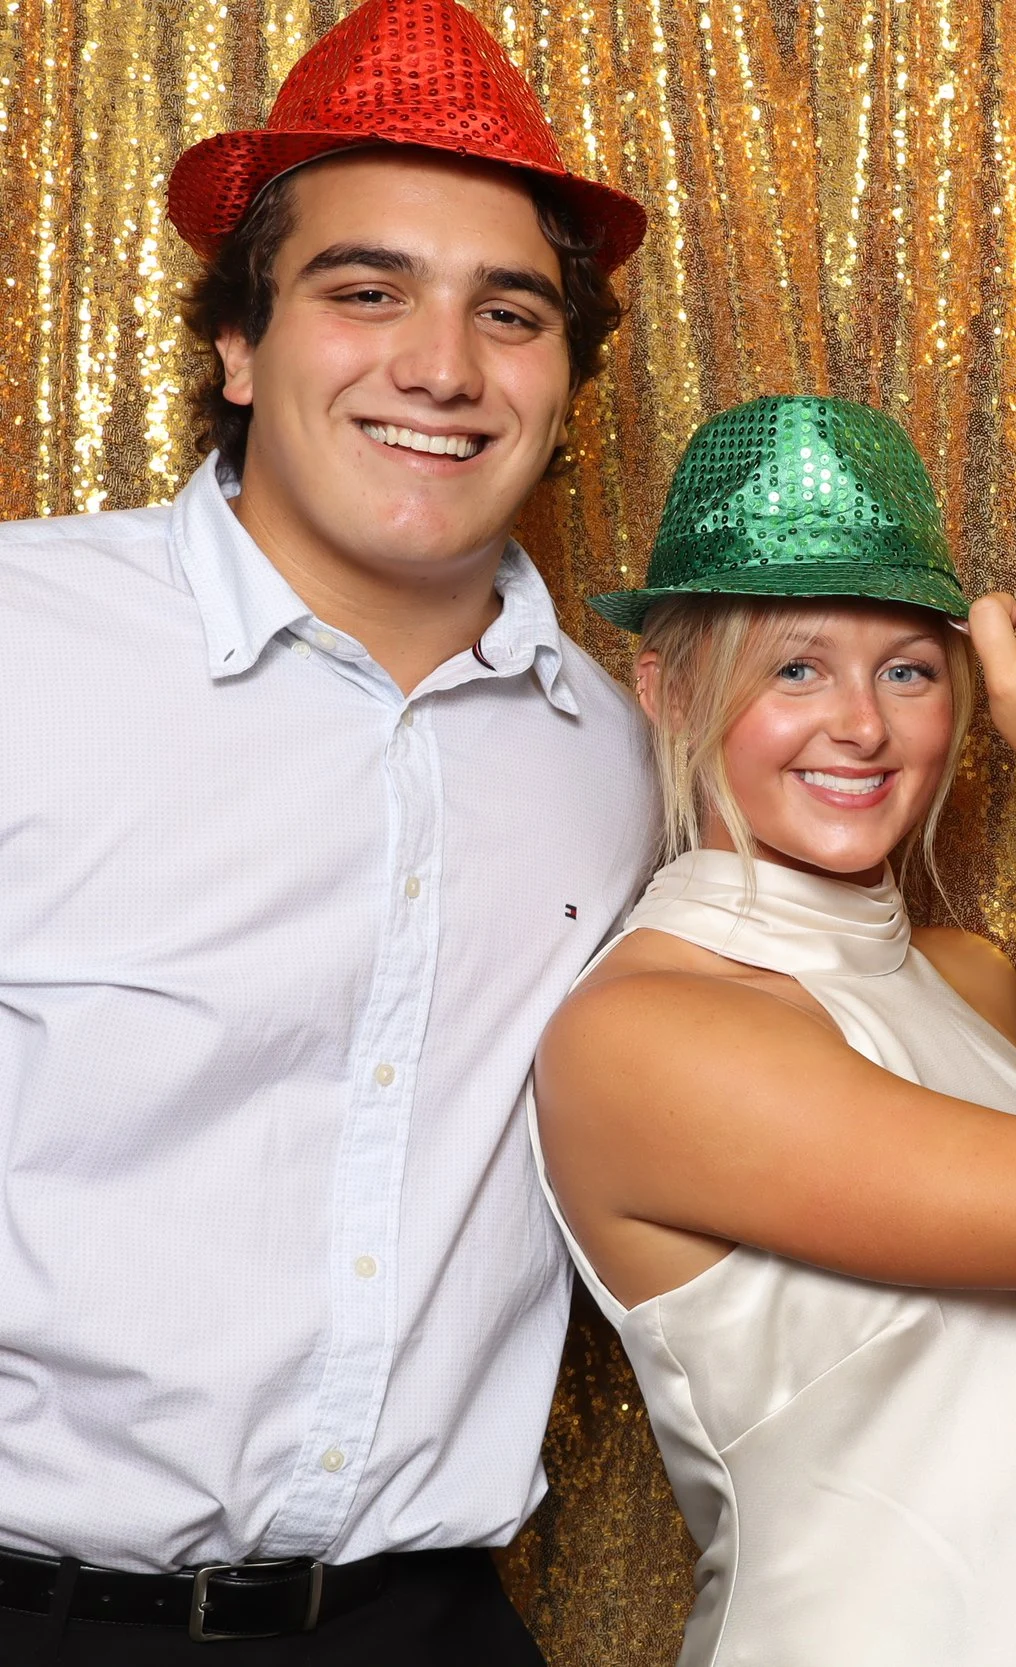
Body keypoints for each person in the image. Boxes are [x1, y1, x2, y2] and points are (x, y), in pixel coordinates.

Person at [0, 0, 655, 1659]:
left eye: (507, 312)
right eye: (365, 291)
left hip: (428, 1621)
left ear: (566, 378)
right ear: (237, 344)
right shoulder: (25, 643)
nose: (439, 365)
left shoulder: (617, 755)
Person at [528, 394, 1016, 1667]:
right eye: (795, 666)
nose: (863, 724)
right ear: (668, 693)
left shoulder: (966, 977)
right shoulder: (648, 1032)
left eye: (906, 667)